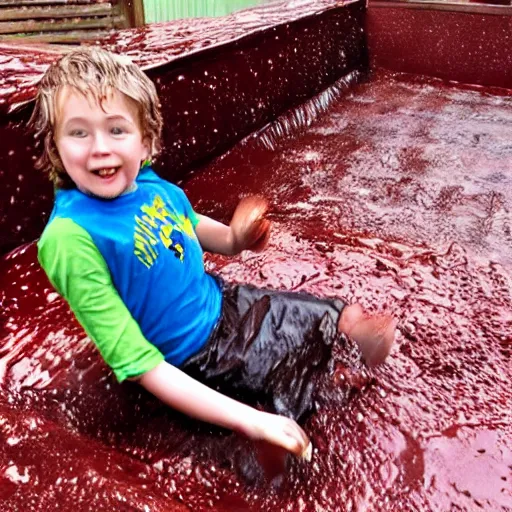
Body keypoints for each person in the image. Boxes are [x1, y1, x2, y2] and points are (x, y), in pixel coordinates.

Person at [33, 47, 396, 466]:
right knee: (288, 430)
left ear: (145, 140)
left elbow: (186, 225)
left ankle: (328, 378)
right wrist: (252, 423)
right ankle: (285, 419)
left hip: (225, 302)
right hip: (191, 357)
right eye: (78, 133)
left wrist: (235, 238)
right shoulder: (70, 238)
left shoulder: (147, 183)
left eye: (117, 130)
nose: (99, 148)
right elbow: (140, 363)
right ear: (55, 147)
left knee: (346, 322)